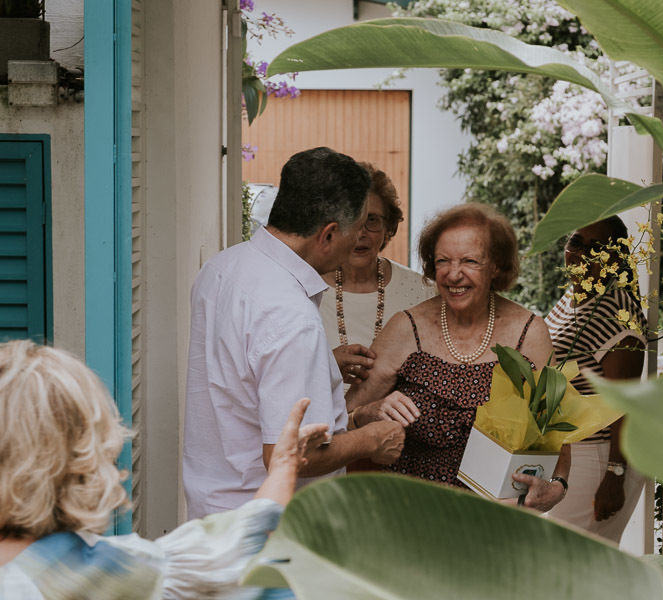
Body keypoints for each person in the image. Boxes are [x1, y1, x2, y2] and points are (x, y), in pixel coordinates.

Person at [0, 340, 326, 598]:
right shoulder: (92, 574)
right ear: (82, 455)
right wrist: (283, 466)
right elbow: (237, 550)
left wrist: (281, 465)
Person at [183, 147, 404, 519]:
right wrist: (372, 438)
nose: (358, 244)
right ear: (329, 235)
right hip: (266, 531)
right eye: (355, 232)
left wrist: (320, 367)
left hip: (213, 512)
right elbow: (292, 455)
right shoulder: (291, 317)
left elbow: (239, 376)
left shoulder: (222, 268)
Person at [345, 203, 560, 493]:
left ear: (496, 265)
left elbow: (558, 434)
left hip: (496, 515)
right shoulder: (406, 327)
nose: (453, 275)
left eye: (470, 261)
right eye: (443, 261)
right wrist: (371, 411)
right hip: (410, 507)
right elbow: (345, 416)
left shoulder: (529, 332)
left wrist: (557, 487)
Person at [543, 216, 648, 542]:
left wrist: (615, 475)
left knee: (571, 566)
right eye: (576, 242)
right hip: (570, 452)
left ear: (616, 259)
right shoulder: (572, 299)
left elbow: (623, 402)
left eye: (598, 248)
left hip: (601, 456)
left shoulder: (618, 310)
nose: (582, 253)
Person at [318, 162, 436, 387]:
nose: (360, 234)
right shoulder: (307, 291)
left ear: (388, 226)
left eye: (371, 220)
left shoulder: (423, 291)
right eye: (350, 219)